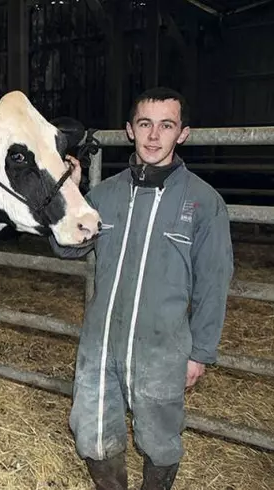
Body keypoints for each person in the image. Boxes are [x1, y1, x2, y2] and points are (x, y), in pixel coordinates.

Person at [51, 87, 234, 490]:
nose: (154, 136)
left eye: (166, 125)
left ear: (182, 133)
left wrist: (200, 353)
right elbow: (67, 250)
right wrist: (70, 195)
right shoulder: (105, 194)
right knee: (92, 432)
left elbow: (213, 284)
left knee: (159, 439)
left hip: (162, 349)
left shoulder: (204, 202)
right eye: (145, 124)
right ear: (129, 130)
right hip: (100, 344)